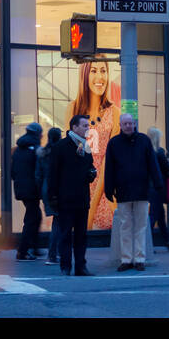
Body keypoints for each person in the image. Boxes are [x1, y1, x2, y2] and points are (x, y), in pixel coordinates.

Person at [64, 60, 121, 231]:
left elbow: (109, 159)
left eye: (103, 71)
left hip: (104, 185)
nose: (100, 76)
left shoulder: (114, 112)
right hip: (79, 182)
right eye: (94, 70)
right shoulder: (73, 108)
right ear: (85, 74)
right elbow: (70, 150)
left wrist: (93, 204)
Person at [102, 114, 163, 271]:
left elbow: (152, 164)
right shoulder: (115, 143)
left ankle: (137, 258)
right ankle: (129, 258)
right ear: (121, 125)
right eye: (125, 123)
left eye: (130, 123)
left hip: (140, 190)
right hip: (125, 190)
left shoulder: (141, 141)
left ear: (134, 124)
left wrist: (158, 183)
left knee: (138, 225)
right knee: (127, 226)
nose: (128, 126)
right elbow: (109, 168)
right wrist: (108, 189)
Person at [49, 115, 96, 276]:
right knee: (65, 234)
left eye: (87, 126)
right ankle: (65, 265)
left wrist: (92, 174)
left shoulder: (86, 146)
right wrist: (53, 197)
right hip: (65, 198)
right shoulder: (61, 146)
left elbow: (90, 166)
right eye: (84, 126)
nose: (87, 128)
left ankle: (81, 266)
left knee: (82, 235)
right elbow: (52, 174)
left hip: (82, 198)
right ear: (74, 127)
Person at [11, 122, 43, 260]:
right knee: (32, 218)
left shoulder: (18, 150)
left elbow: (12, 172)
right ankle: (22, 251)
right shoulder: (36, 149)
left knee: (34, 216)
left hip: (21, 188)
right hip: (32, 189)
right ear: (38, 134)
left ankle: (34, 247)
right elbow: (40, 171)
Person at [146, 126, 169, 250]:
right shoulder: (159, 152)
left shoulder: (146, 152)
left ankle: (168, 240)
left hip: (149, 187)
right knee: (155, 214)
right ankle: (146, 243)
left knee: (159, 214)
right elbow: (167, 170)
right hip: (158, 186)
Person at [36, 126, 63, 263]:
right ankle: (53, 254)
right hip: (58, 188)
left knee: (57, 222)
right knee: (59, 222)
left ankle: (54, 253)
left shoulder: (43, 153)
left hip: (46, 189)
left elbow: (38, 175)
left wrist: (41, 192)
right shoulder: (59, 152)